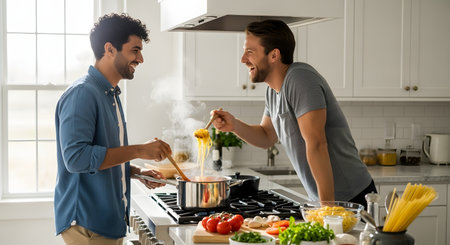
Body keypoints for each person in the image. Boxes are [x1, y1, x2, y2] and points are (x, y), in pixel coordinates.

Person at [211, 20, 376, 207]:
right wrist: (234, 125)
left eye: (250, 52)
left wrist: (327, 209)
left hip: (352, 197)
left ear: (274, 55)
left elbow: (317, 143)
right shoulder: (273, 91)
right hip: (328, 199)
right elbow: (267, 137)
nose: (243, 59)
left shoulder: (300, 79)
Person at [54, 13, 171, 245]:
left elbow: (100, 157)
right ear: (110, 49)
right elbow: (77, 159)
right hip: (88, 224)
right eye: (135, 50)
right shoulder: (83, 94)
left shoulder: (109, 94)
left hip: (105, 222)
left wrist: (134, 172)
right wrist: (139, 150)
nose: (141, 59)